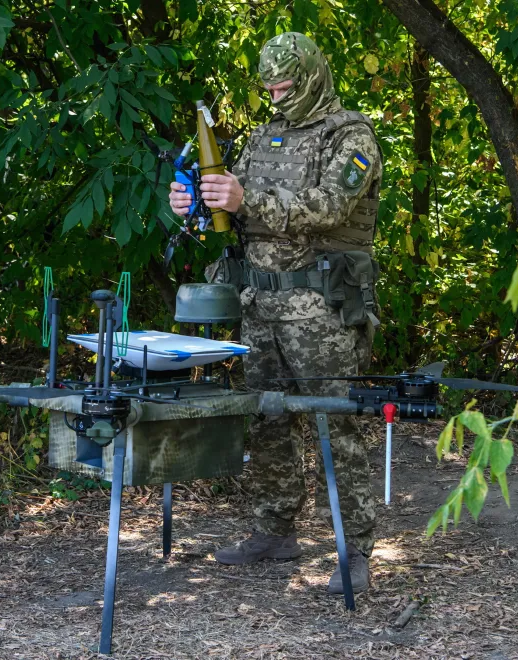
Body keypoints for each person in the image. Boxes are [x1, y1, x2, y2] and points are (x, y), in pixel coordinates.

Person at [169, 32, 384, 594]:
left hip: (322, 309)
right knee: (266, 418)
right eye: (269, 87)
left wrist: (245, 200)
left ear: (312, 76)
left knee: (336, 422)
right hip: (259, 304)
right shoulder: (264, 138)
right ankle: (275, 528)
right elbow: (236, 217)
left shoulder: (351, 136)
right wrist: (197, 204)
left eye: (286, 86)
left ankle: (354, 549)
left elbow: (330, 206)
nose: (276, 96)